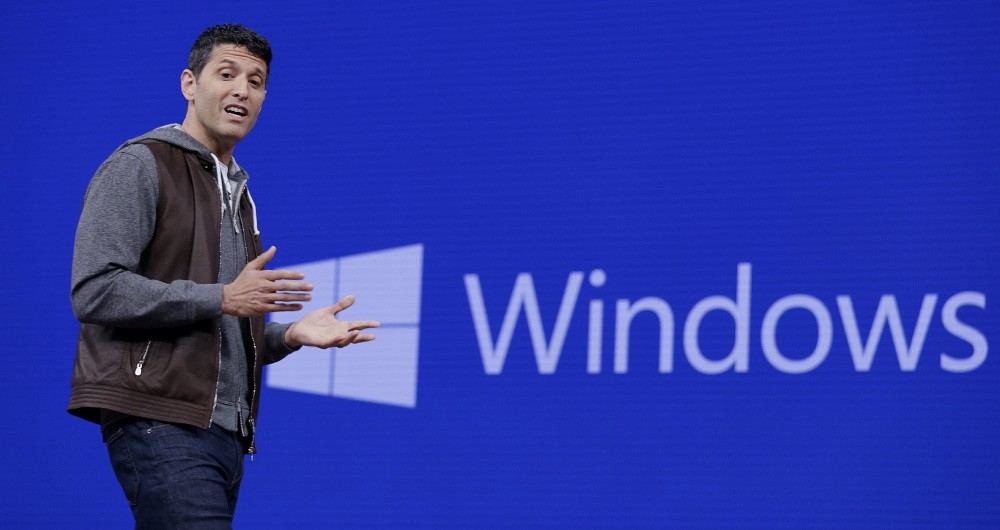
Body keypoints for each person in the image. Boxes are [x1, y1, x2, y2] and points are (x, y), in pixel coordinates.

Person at [67, 24, 379, 528]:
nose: (243, 90)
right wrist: (223, 298)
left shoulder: (238, 193)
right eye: (227, 74)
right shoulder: (141, 164)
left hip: (224, 433)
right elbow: (95, 289)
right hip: (160, 417)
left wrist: (287, 335)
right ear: (190, 83)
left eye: (256, 82)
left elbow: (219, 321)